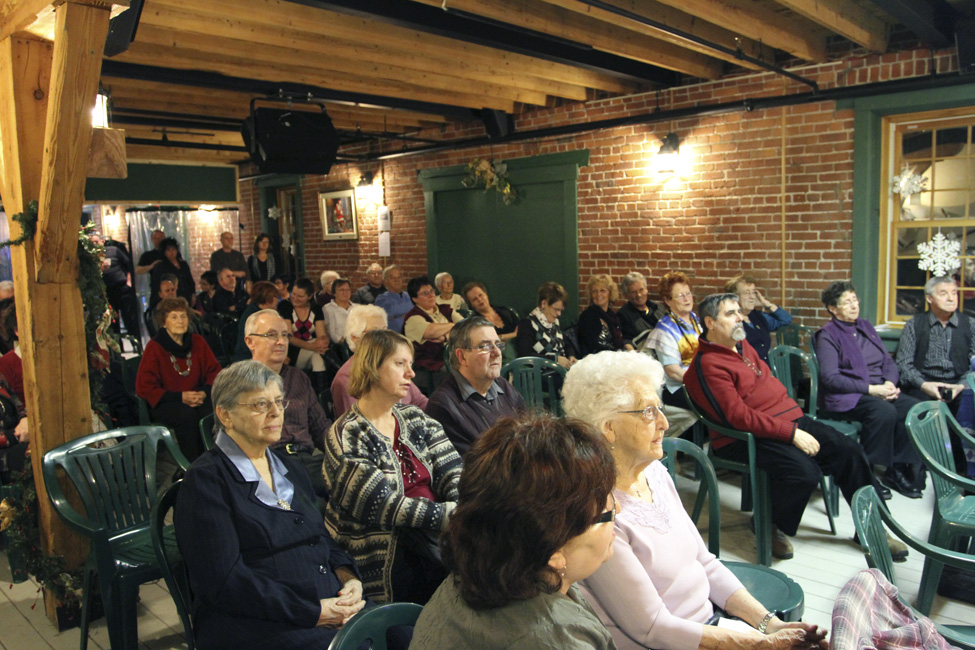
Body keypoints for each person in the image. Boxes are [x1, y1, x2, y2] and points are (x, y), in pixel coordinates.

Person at [565, 350, 829, 650]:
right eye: (649, 412)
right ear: (608, 427)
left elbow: (704, 562)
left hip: (713, 629)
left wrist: (770, 624)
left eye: (660, 408)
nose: (664, 423)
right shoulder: (598, 512)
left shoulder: (654, 473)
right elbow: (653, 629)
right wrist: (760, 644)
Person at [684, 293, 903, 561]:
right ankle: (770, 524)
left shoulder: (742, 345)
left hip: (785, 420)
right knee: (804, 473)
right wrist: (792, 434)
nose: (740, 317)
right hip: (742, 439)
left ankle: (870, 527)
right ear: (710, 322)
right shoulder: (706, 365)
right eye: (730, 313)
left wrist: (793, 424)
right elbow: (738, 417)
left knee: (850, 450)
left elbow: (766, 388)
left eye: (739, 311)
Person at [174, 361, 374, 650]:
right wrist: (313, 612)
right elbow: (225, 581)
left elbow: (320, 538)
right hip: (258, 623)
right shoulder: (206, 480)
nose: (276, 412)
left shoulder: (289, 468)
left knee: (406, 632)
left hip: (325, 604)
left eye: (279, 402)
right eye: (259, 404)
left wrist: (349, 578)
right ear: (225, 415)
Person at [410, 413, 619, 650]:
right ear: (554, 549)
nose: (617, 507)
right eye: (605, 507)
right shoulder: (551, 639)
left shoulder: (485, 570)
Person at [323, 329, 462, 604]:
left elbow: (453, 469)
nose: (411, 374)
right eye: (400, 364)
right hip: (385, 548)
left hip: (437, 535)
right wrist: (453, 515)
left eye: (410, 364)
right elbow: (383, 505)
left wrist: (462, 505)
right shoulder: (347, 434)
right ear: (372, 367)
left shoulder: (414, 417)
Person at [813, 281, 923, 499]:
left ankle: (897, 469)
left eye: (855, 300)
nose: (854, 306)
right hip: (848, 396)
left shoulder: (865, 326)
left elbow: (888, 361)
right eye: (846, 303)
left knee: (915, 408)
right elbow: (831, 378)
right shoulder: (827, 335)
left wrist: (890, 383)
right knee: (883, 412)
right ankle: (867, 475)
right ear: (832, 309)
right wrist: (872, 389)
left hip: (880, 389)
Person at [244, 310, 332, 502]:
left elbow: (319, 425)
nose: (281, 341)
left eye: (285, 335)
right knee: (313, 506)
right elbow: (230, 439)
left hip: (307, 460)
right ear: (250, 342)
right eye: (271, 335)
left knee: (355, 487)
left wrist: (344, 451)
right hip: (269, 463)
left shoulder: (298, 377)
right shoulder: (239, 383)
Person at [895, 275, 975, 473]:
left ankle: (963, 472)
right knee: (913, 408)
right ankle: (912, 472)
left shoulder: (971, 324)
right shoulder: (914, 324)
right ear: (930, 298)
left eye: (954, 293)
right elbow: (904, 364)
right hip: (923, 384)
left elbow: (974, 363)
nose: (951, 298)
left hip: (959, 384)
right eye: (944, 293)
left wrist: (961, 385)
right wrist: (924, 385)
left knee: (967, 408)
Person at [426, 316, 526, 457]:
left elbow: (528, 435)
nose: (497, 353)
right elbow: (470, 470)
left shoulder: (503, 386)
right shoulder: (443, 406)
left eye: (498, 344)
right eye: (485, 346)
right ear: (462, 356)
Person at [136, 297, 222, 461]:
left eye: (183, 316)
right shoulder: (154, 347)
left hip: (198, 397)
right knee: (186, 415)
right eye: (174, 317)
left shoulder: (198, 341)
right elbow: (144, 387)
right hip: (167, 402)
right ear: (163, 322)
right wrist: (180, 397)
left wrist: (204, 392)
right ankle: (192, 465)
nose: (180, 321)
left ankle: (215, 460)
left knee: (212, 410)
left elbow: (215, 371)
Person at [330, 305, 427, 417]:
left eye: (385, 330)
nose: (385, 339)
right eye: (376, 333)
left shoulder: (393, 366)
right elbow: (357, 427)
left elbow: (420, 402)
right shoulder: (346, 379)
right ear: (355, 338)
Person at [647, 271, 701, 410]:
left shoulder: (695, 320)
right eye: (680, 296)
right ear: (667, 300)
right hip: (679, 387)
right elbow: (673, 372)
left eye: (688, 293)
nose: (687, 299)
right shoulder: (664, 330)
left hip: (701, 379)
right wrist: (701, 382)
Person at [403, 275, 464, 395]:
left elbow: (465, 326)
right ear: (415, 299)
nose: (431, 295)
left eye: (431, 291)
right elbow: (431, 331)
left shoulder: (445, 310)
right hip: (430, 365)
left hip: (454, 356)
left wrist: (446, 336)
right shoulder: (413, 318)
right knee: (457, 372)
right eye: (425, 293)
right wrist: (452, 325)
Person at [725, 273, 793, 364]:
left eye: (753, 292)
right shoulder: (731, 321)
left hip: (765, 371)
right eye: (746, 293)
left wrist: (766, 303)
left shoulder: (759, 316)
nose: (752, 297)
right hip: (746, 371)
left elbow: (786, 319)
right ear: (734, 298)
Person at [515, 281, 577, 369]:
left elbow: (566, 343)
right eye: (556, 309)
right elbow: (524, 355)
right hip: (541, 377)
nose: (559, 314)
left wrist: (571, 356)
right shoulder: (528, 324)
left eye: (561, 310)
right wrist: (554, 359)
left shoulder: (555, 322)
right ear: (544, 304)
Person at [277, 278, 328, 378]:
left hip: (312, 351)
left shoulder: (316, 309)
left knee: (317, 357)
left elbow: (322, 334)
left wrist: (323, 342)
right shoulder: (285, 306)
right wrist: (312, 346)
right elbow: (289, 337)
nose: (295, 298)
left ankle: (318, 390)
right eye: (294, 294)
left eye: (300, 296)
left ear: (309, 296)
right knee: (317, 352)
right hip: (293, 353)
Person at [578, 274, 633, 358]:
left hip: (614, 358)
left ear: (610, 293)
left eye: (602, 290)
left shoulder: (613, 316)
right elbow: (591, 347)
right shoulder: (588, 316)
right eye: (594, 291)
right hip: (596, 360)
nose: (598, 294)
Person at [101, 236, 140, 337]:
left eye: (97, 241)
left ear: (102, 241)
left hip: (122, 287)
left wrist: (129, 281)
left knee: (129, 316)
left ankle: (136, 342)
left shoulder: (114, 251)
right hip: (107, 290)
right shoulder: (93, 256)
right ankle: (118, 347)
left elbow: (128, 264)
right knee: (113, 319)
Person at [233, 281, 279, 362]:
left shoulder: (258, 310)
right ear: (268, 298)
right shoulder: (257, 317)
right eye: (275, 296)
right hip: (249, 360)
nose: (278, 300)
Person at [618, 271, 664, 343]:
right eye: (633, 292)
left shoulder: (660, 308)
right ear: (626, 295)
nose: (639, 295)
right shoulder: (623, 316)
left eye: (641, 290)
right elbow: (626, 341)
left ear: (646, 289)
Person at [149, 237, 196, 306]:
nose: (171, 253)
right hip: (171, 297)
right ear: (164, 252)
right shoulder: (161, 266)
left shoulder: (183, 264)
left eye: (173, 249)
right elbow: (156, 284)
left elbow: (190, 280)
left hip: (186, 296)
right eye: (168, 250)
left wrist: (193, 294)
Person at [374, 265, 412, 333]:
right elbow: (392, 310)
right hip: (393, 338)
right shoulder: (381, 299)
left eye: (399, 277)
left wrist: (398, 316)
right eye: (392, 278)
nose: (397, 280)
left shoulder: (409, 295)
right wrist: (410, 314)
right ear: (385, 281)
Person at [323, 278, 354, 345]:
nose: (345, 292)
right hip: (340, 345)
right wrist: (347, 344)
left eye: (347, 290)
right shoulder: (328, 309)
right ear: (334, 293)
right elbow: (332, 333)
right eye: (341, 290)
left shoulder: (357, 308)